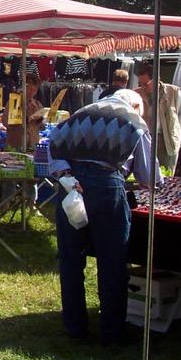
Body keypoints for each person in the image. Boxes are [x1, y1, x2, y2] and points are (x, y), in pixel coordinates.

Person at [49, 90, 161, 346]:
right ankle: (112, 331)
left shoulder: (78, 115)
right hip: (107, 186)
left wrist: (66, 174)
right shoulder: (133, 122)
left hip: (71, 185)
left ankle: (74, 326)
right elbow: (149, 176)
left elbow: (52, 146)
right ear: (133, 104)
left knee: (71, 259)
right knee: (112, 260)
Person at [134, 62, 181, 175]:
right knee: (146, 173)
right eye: (140, 84)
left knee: (166, 173)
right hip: (146, 138)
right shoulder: (136, 94)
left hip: (166, 139)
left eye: (145, 84)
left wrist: (174, 134)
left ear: (156, 79)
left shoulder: (174, 92)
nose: (143, 87)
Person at [4, 74, 43, 151]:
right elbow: (5, 121)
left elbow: (42, 127)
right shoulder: (14, 102)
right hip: (16, 145)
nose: (32, 92)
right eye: (30, 89)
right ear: (25, 88)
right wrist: (25, 120)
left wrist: (40, 120)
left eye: (34, 90)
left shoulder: (38, 105)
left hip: (32, 145)